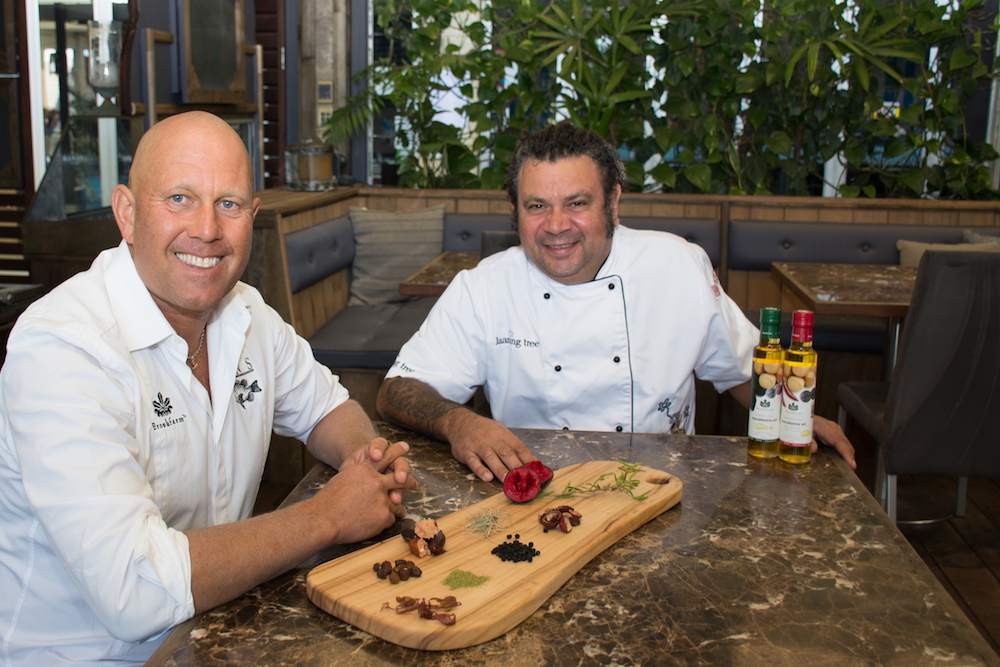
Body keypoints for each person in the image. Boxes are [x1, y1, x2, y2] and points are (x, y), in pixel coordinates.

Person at [0, 111, 416, 665]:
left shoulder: (246, 311)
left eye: (229, 204)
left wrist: (368, 463)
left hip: (214, 633)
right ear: (126, 213)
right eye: (178, 198)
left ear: (252, 215)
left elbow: (326, 408)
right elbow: (136, 590)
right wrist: (329, 515)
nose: (207, 229)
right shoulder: (62, 347)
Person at [376, 121, 855, 483]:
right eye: (537, 206)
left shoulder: (678, 266)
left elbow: (743, 375)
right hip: (533, 495)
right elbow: (397, 390)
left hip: (660, 491)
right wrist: (459, 422)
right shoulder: (484, 287)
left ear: (614, 203)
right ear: (515, 213)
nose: (557, 225)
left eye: (578, 203)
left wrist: (797, 417)